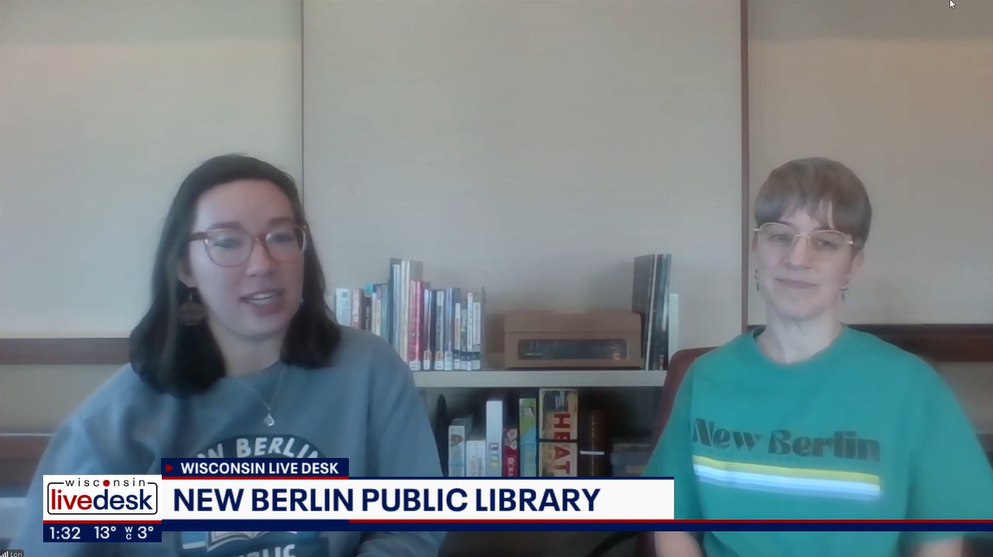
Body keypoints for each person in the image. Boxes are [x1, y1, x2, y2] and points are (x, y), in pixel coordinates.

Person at [11, 154, 446, 557]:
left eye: (280, 236)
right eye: (227, 242)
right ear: (184, 268)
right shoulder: (114, 424)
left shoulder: (367, 370)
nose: (262, 263)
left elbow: (412, 524)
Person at [647, 157, 993, 557]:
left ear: (851, 267)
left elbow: (939, 542)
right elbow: (670, 520)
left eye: (825, 242)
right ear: (757, 247)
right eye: (780, 236)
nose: (798, 259)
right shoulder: (707, 379)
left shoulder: (911, 388)